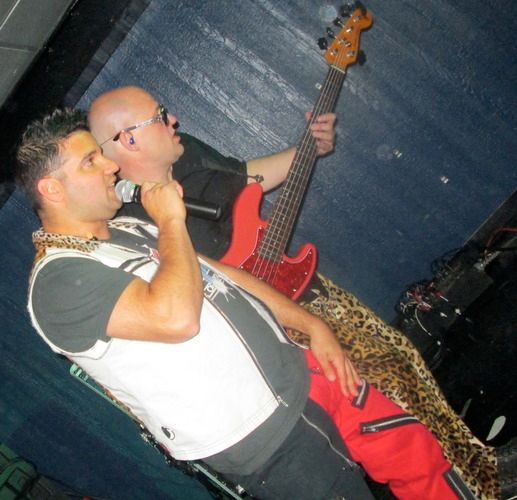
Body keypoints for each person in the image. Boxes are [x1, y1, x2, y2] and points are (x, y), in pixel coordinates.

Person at [16, 108, 476, 500]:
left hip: (294, 376)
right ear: (52, 189)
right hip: (264, 437)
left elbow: (228, 277)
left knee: (414, 453)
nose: (109, 167)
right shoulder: (57, 283)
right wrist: (172, 220)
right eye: (90, 161)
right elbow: (175, 318)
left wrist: (312, 326)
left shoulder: (128, 231)